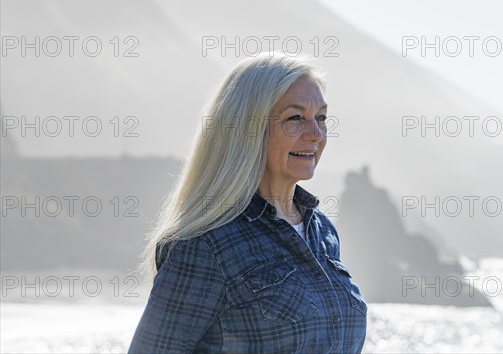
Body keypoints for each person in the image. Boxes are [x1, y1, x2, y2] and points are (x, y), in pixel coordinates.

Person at [127, 52, 368, 353]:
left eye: (320, 118)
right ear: (247, 129)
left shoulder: (323, 232)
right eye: (295, 118)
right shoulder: (205, 245)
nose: (316, 134)